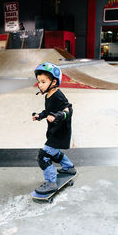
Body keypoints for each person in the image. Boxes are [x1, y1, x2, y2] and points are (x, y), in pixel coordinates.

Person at [32, 62, 77, 194]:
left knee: (43, 156)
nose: (39, 84)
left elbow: (68, 110)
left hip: (60, 132)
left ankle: (51, 182)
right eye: (39, 81)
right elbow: (48, 111)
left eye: (43, 81)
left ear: (54, 82)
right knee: (54, 153)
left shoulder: (58, 95)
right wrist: (40, 115)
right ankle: (69, 167)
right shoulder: (48, 95)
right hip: (54, 131)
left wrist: (57, 116)